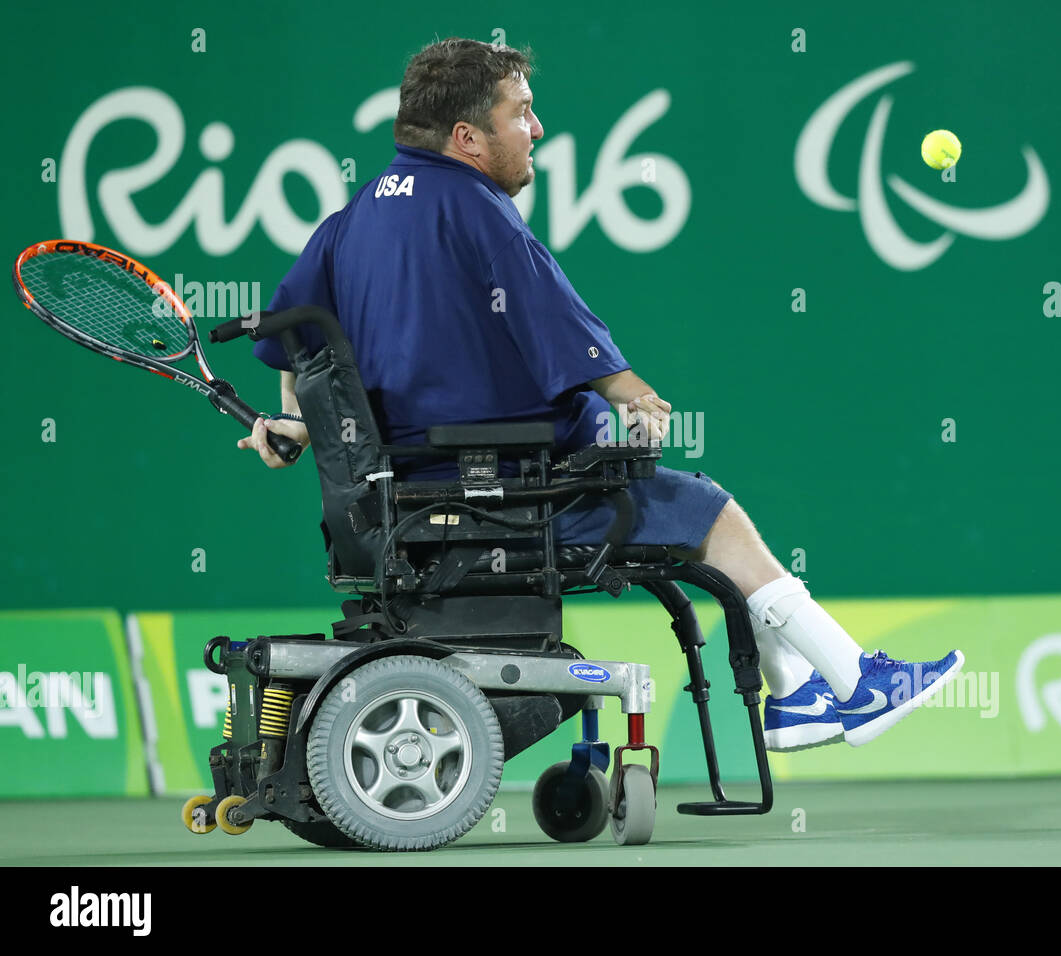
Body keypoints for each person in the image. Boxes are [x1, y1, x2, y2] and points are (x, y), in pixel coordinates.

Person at [240, 37, 963, 752]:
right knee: (712, 516)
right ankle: (857, 684)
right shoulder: (476, 206)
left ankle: (799, 695)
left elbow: (294, 335)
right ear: (467, 137)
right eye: (520, 112)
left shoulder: (356, 216)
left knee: (699, 510)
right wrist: (629, 390)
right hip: (502, 497)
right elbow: (545, 310)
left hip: (410, 497)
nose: (538, 129)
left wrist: (297, 423)